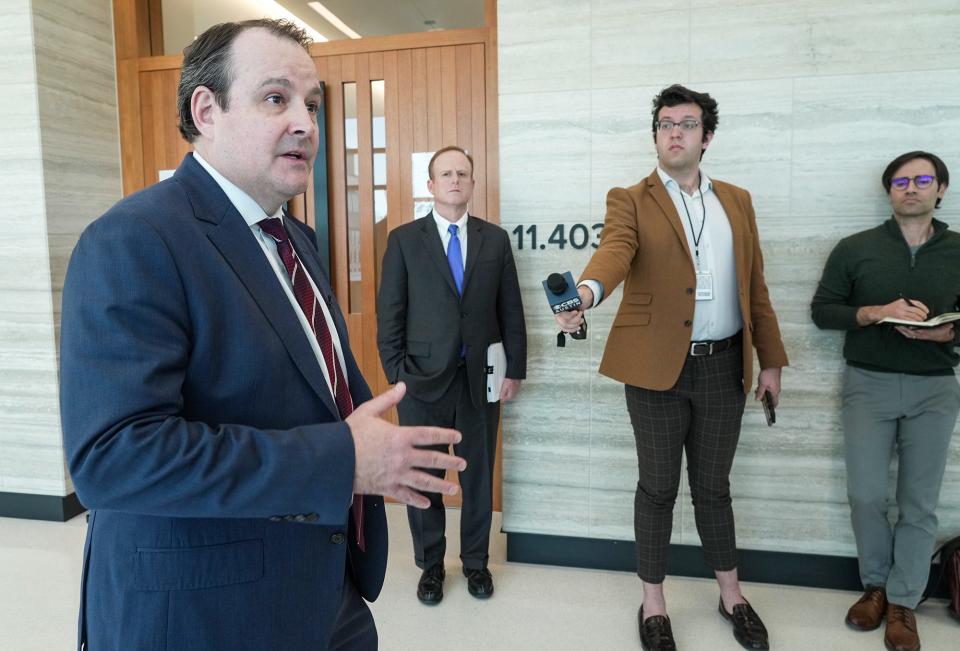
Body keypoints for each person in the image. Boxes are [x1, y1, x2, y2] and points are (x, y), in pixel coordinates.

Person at [59, 19, 466, 651]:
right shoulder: (135, 238)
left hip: (323, 588)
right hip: (205, 611)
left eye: (312, 103)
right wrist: (341, 461)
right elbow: (114, 458)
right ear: (207, 110)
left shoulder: (293, 238)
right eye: (277, 99)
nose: (306, 122)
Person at [555, 84, 788, 651]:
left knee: (714, 489)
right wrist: (584, 294)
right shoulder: (631, 198)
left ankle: (731, 594)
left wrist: (772, 361)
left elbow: (754, 287)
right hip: (657, 370)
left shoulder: (736, 200)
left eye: (686, 124)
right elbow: (614, 251)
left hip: (723, 366)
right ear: (656, 134)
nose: (674, 132)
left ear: (707, 136)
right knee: (657, 489)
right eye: (664, 124)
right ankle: (653, 603)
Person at [811, 151, 959, 651]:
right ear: (889, 191)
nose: (911, 188)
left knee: (919, 503)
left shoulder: (959, 249)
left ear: (940, 190)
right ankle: (874, 585)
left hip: (934, 387)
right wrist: (875, 312)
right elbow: (822, 311)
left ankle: (904, 602)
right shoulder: (856, 248)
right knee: (867, 495)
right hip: (867, 384)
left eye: (922, 180)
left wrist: (947, 335)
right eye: (901, 180)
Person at [377, 145, 527, 604]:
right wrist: (397, 374)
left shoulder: (494, 240)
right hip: (421, 380)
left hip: (480, 378)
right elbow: (390, 315)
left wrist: (515, 369)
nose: (455, 180)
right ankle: (431, 566)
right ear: (431, 185)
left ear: (474, 183)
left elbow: (511, 310)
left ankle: (477, 564)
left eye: (463, 173)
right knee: (422, 475)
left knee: (478, 473)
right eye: (446, 174)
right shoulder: (404, 240)